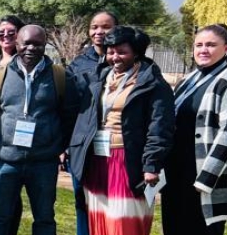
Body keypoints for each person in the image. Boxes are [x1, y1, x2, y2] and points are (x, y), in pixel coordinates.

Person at [68, 26, 173, 235]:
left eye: (122, 52)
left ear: (136, 53)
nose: (115, 57)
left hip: (128, 161)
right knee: (99, 219)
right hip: (98, 158)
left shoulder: (152, 83)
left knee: (124, 221)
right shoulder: (101, 78)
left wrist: (151, 164)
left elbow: (160, 126)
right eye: (111, 51)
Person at [0, 25, 80, 235]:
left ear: (45, 45)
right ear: (17, 43)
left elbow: (69, 117)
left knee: (44, 219)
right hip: (5, 161)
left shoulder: (60, 77)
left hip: (43, 163)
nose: (31, 48)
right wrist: (2, 140)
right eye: (26, 43)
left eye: (38, 44)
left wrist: (53, 145)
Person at [161, 24, 227, 235]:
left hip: (204, 176)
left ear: (226, 49)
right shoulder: (188, 80)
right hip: (176, 172)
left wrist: (206, 178)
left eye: (211, 45)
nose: (203, 50)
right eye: (199, 45)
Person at [64, 10, 117, 235]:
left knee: (113, 205)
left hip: (115, 147)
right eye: (94, 27)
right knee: (83, 203)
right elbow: (68, 108)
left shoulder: (128, 61)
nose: (99, 32)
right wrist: (65, 145)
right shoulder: (78, 65)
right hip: (82, 147)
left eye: (106, 27)